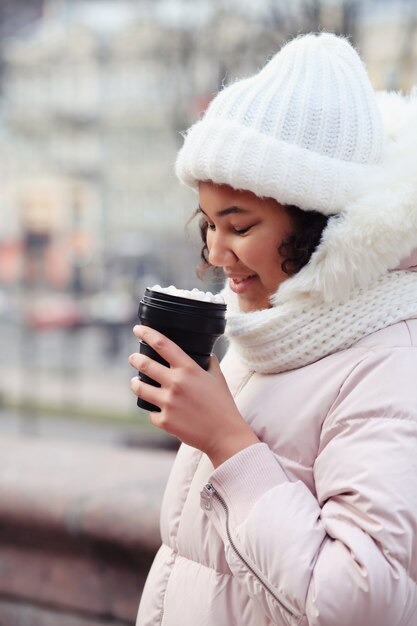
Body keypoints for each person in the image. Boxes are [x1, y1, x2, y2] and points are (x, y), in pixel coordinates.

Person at [129, 32, 417, 626]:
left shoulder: (389, 359)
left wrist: (228, 442)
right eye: (208, 223)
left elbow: (363, 600)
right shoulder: (273, 330)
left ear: (318, 224)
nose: (215, 252)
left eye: (239, 226)